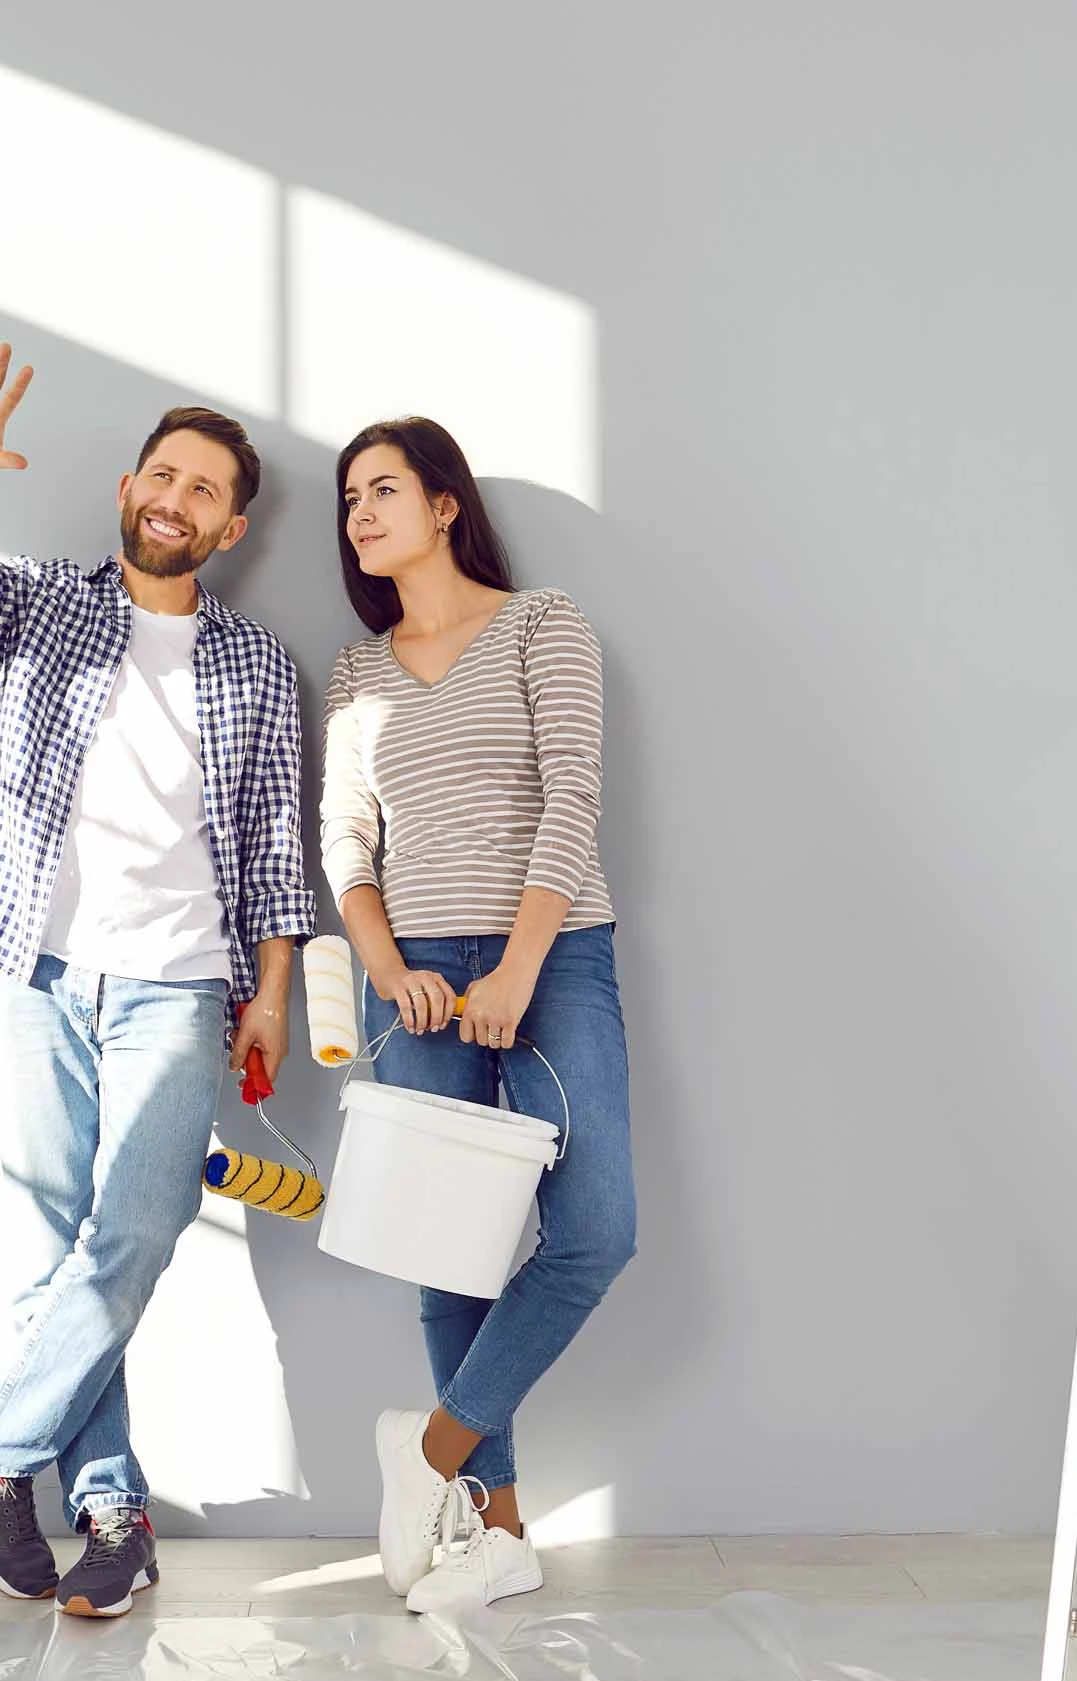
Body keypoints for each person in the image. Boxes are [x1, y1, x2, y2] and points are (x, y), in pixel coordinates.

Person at [0, 342, 311, 1618]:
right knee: (52, 1246)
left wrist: (272, 991)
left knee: (135, 1228)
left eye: (204, 488)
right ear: (127, 489)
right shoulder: (47, 602)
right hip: (29, 967)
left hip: (176, 982)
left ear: (227, 528)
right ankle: (111, 1510)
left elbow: (277, 848)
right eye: (160, 473)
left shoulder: (256, 667)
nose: (175, 496)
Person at [320, 416, 635, 1617]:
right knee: (444, 1254)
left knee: (594, 1230)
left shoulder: (542, 623)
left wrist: (515, 963)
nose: (358, 512)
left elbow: (573, 793)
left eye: (382, 487)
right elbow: (347, 834)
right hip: (414, 976)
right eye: (348, 496)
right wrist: (386, 963)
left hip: (553, 958)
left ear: (445, 503)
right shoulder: (355, 670)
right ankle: (493, 1529)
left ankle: (431, 1450)